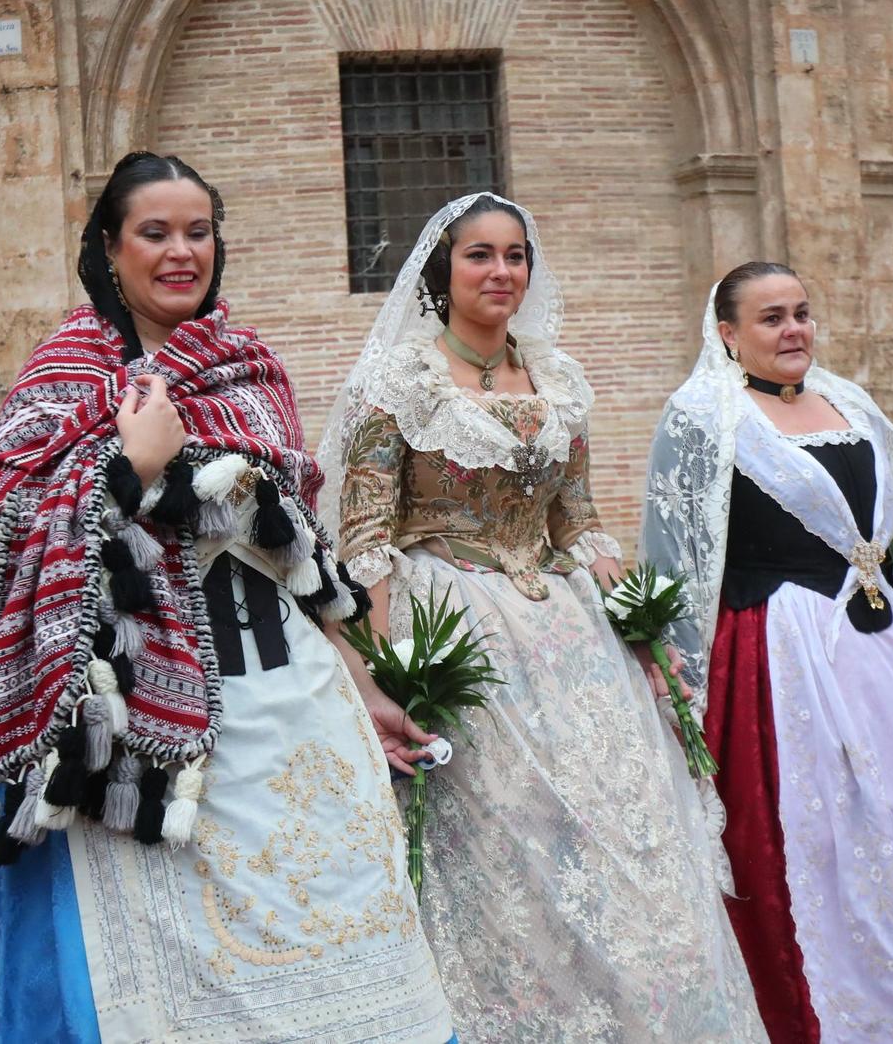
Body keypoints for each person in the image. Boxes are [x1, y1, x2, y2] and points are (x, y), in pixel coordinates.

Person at [0, 152, 453, 1043]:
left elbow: (291, 559)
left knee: (353, 965)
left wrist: (365, 685)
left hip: (295, 712)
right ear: (111, 248)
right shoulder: (62, 376)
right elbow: (14, 539)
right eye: (155, 232)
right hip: (135, 746)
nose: (182, 251)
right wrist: (131, 467)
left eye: (198, 231)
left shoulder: (249, 368)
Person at [320, 192, 765, 1043]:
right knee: (505, 835)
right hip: (455, 621)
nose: (501, 271)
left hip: (565, 628)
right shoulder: (399, 379)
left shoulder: (555, 377)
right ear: (442, 272)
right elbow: (367, 534)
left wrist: (620, 591)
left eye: (515, 254)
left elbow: (578, 516)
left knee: (611, 831)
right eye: (480, 254)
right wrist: (381, 671)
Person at [639, 262, 893, 1044]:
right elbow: (677, 553)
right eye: (771, 318)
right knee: (826, 845)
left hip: (888, 653)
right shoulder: (703, 417)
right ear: (727, 334)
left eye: (802, 313)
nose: (793, 330)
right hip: (780, 654)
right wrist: (676, 674)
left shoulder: (851, 403)